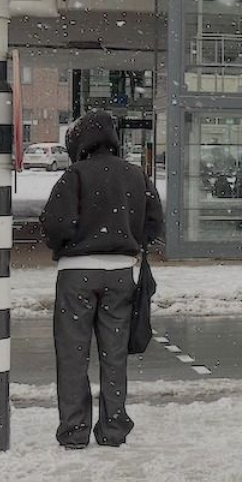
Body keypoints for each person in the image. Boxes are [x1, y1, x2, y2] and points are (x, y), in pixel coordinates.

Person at [40, 110, 164, 450]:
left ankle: (74, 431)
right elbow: (154, 224)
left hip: (76, 274)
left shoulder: (74, 176)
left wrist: (68, 241)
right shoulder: (135, 175)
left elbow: (55, 224)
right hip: (121, 273)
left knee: (72, 355)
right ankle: (113, 429)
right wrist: (129, 241)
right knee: (114, 355)